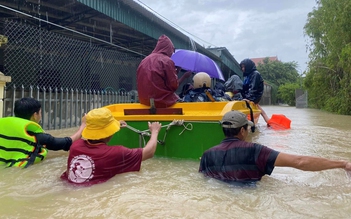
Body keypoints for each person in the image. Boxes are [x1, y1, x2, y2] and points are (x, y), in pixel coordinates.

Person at [199, 110, 351, 183]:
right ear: (242, 130)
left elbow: (203, 182)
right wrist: (342, 164)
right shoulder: (255, 151)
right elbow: (299, 162)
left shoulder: (207, 155)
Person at [60, 107, 162, 185]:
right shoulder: (116, 153)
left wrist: (116, 124)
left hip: (67, 188)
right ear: (109, 133)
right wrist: (155, 131)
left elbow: (82, 135)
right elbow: (149, 152)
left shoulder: (75, 146)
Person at [0, 97, 86, 168]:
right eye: (40, 113)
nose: (40, 116)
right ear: (35, 115)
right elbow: (67, 142)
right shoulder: (38, 137)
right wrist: (84, 125)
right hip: (18, 169)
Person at [137, 34, 191, 108]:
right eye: (172, 51)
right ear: (168, 49)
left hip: (144, 100)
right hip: (161, 100)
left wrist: (176, 71)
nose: (171, 54)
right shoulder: (167, 61)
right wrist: (184, 76)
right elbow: (173, 86)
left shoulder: (144, 60)